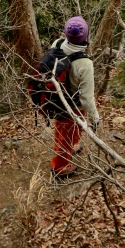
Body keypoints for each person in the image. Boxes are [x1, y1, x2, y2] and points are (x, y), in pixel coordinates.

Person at [51, 16, 100, 179]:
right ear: (85, 37)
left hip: (54, 96)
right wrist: (95, 117)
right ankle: (59, 168)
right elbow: (86, 99)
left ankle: (71, 146)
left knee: (62, 129)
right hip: (71, 104)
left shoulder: (56, 44)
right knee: (65, 135)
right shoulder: (85, 64)